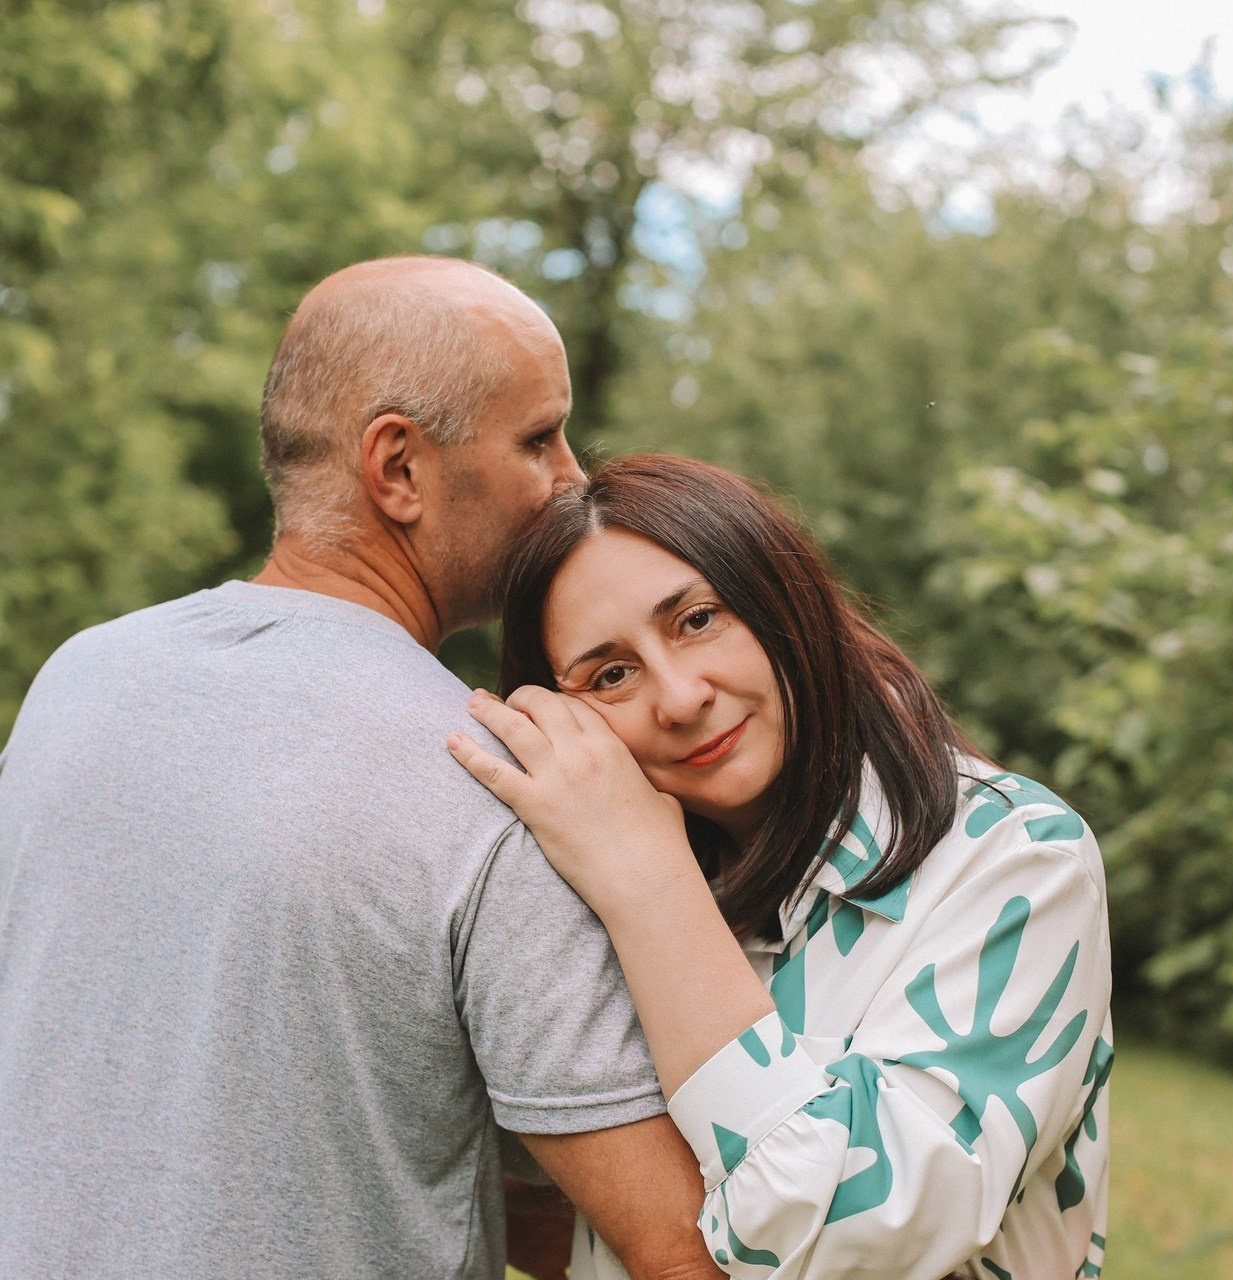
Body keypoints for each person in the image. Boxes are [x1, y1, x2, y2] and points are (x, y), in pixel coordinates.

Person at [0, 259, 721, 1280]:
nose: (572, 478)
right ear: (398, 469)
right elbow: (683, 1249)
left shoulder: (76, 682)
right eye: (535, 437)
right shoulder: (490, 777)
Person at [449, 453, 1114, 1280]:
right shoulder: (583, 895)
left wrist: (653, 886)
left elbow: (847, 1240)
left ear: (782, 602)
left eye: (697, 620)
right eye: (611, 674)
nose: (681, 696)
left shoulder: (1015, 861)